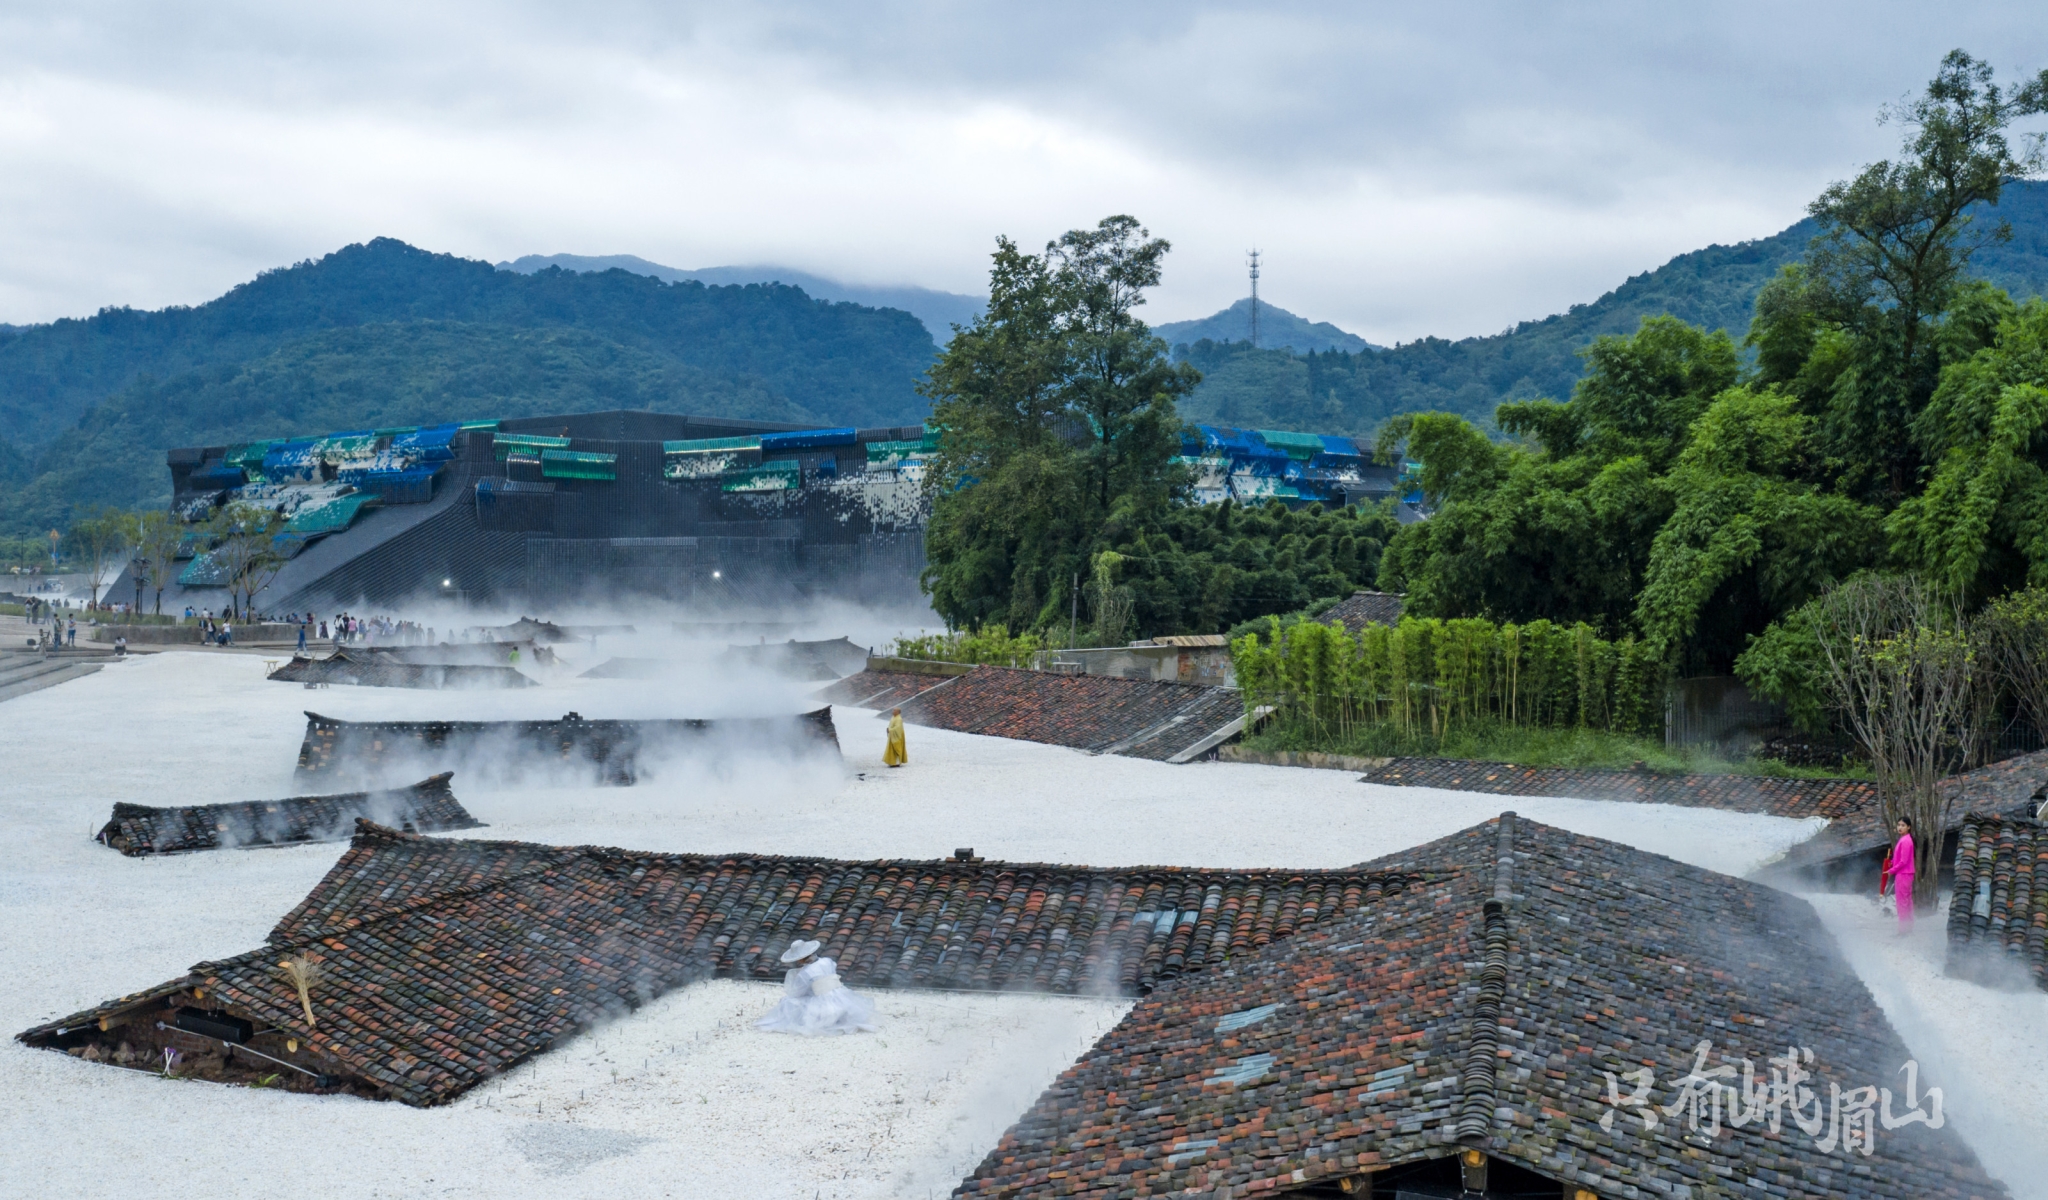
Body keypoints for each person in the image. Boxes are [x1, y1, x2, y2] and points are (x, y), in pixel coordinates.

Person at [755, 940, 877, 1036]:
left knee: (788, 1002)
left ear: (801, 958)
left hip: (823, 1002)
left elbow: (798, 992)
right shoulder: (827, 961)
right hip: (840, 995)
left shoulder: (805, 973)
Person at [1881, 816, 1917, 931]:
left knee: (1902, 902)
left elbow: (1903, 861)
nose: (1900, 827)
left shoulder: (1906, 840)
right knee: (1906, 901)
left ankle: (1903, 930)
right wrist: (1891, 863)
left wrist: (1891, 870)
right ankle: (1908, 927)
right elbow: (1900, 859)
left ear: (1909, 827)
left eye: (1903, 825)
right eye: (1899, 825)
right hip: (1905, 873)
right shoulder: (1904, 839)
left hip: (1904, 874)